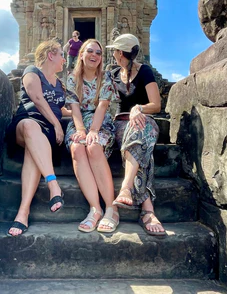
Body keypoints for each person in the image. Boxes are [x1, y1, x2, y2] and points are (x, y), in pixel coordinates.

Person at [6, 39, 70, 237]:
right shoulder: (32, 72)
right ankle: (53, 184)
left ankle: (23, 212)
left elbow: (63, 110)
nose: (64, 60)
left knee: (34, 150)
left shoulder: (60, 84)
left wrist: (83, 113)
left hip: (47, 135)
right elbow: (37, 98)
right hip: (27, 122)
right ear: (51, 54)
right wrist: (57, 124)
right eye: (61, 55)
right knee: (31, 127)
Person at [106, 33, 166, 236]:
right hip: (121, 125)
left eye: (114, 51)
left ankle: (126, 187)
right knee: (142, 148)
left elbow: (156, 105)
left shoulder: (144, 71)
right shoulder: (113, 74)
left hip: (144, 120)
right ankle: (148, 210)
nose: (113, 55)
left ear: (120, 53)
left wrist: (138, 108)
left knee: (140, 130)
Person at [65, 39, 119, 233]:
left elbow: (103, 106)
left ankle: (111, 209)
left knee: (94, 147)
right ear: (81, 54)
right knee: (77, 147)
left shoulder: (106, 77)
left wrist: (94, 131)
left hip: (100, 121)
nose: (94, 55)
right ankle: (95, 209)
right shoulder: (72, 79)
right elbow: (74, 109)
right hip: (79, 122)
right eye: (90, 51)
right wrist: (80, 130)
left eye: (98, 52)